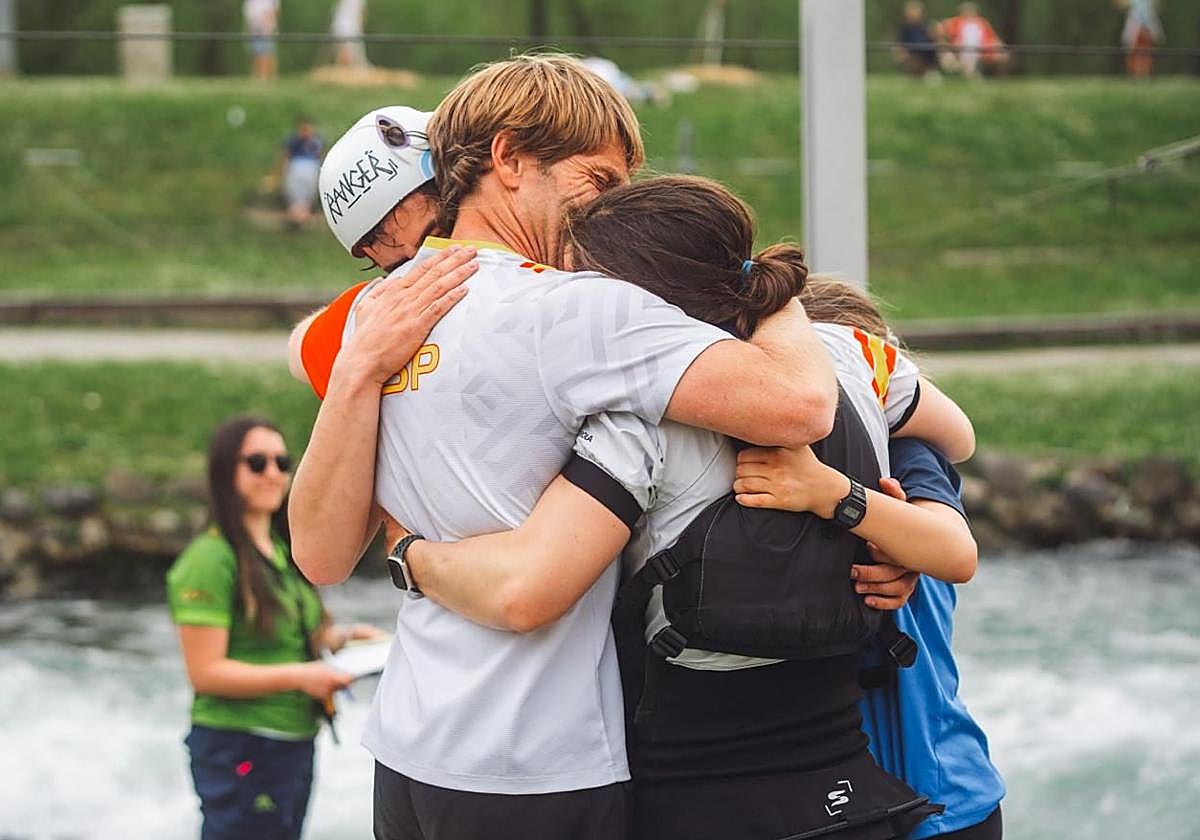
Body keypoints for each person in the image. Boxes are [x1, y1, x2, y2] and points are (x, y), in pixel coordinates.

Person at [287, 54, 848, 840]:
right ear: (510, 158)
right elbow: (799, 404)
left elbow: (319, 557)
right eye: (600, 179)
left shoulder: (376, 315)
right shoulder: (577, 311)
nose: (617, 208)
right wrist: (764, 283)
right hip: (536, 762)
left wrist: (353, 373)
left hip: (409, 751)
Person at [381, 176, 977, 839]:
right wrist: (875, 512)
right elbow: (956, 437)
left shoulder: (640, 422)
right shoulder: (849, 355)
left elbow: (526, 588)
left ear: (636, 300)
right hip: (848, 788)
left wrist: (409, 553)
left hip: (691, 791)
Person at [739, 278, 1006, 839]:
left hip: (939, 795)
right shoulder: (773, 466)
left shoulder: (909, 451)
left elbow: (955, 551)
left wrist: (839, 498)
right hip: (834, 794)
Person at [166, 415, 385, 839]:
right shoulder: (209, 559)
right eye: (257, 462)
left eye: (282, 462)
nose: (273, 473)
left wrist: (343, 638)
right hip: (241, 743)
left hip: (294, 741)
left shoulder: (282, 549)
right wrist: (303, 677)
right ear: (225, 471)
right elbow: (206, 672)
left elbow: (290, 637)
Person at [940, 3, 1009, 79]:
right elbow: (942, 29)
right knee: (949, 59)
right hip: (961, 50)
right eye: (967, 11)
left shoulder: (982, 22)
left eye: (971, 11)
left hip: (983, 49)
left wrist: (998, 44)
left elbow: (991, 36)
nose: (969, 13)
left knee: (1002, 55)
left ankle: (1000, 78)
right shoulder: (956, 22)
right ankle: (969, 73)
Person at [276, 117, 324, 227]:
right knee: (296, 197)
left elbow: (321, 157)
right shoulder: (293, 141)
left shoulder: (317, 141)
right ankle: (297, 217)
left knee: (305, 198)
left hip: (311, 170)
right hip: (296, 170)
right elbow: (286, 157)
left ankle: (300, 218)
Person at [895, 2, 942, 80]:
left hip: (927, 55)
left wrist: (936, 33)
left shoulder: (927, 25)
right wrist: (900, 52)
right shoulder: (904, 28)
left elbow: (935, 39)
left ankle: (930, 71)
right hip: (912, 55)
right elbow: (899, 44)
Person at [1122, 0, 1165, 79]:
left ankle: (1145, 74)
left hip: (1148, 25)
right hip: (1135, 25)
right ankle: (1136, 74)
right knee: (1134, 51)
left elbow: (1159, 5)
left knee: (1147, 52)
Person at [243, 0, 279, 81]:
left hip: (266, 28)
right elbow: (249, 13)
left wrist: (269, 27)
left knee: (266, 53)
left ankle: (265, 77)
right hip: (253, 28)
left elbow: (274, 12)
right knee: (255, 53)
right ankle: (255, 77)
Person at [331, 0, 368, 69]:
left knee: (344, 55)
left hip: (341, 27)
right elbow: (360, 14)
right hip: (349, 29)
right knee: (347, 56)